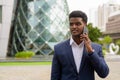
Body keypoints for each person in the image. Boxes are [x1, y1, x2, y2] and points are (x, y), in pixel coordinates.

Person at [51, 10, 109, 80]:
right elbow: (54, 76)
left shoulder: (96, 48)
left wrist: (90, 51)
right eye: (71, 24)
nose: (74, 27)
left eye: (78, 24)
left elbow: (104, 73)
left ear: (85, 25)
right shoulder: (59, 48)